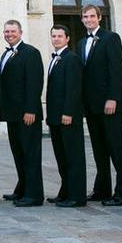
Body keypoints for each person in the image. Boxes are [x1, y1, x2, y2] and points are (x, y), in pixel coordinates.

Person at [78, 4, 122, 206]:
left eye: (92, 16)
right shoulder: (82, 43)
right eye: (85, 16)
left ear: (99, 18)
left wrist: (113, 98)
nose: (88, 19)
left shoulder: (111, 38)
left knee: (116, 147)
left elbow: (116, 70)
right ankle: (102, 189)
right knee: (99, 149)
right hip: (91, 105)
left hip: (109, 104)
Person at [0, 20, 44, 207]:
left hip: (27, 114)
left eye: (13, 31)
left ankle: (34, 195)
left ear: (21, 32)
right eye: (7, 31)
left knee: (30, 153)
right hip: (12, 114)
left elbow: (34, 83)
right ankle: (23, 188)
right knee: (19, 153)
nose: (9, 34)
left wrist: (31, 109)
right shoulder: (6, 54)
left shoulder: (31, 53)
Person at [45, 25, 86, 208]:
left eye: (60, 36)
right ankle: (65, 192)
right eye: (53, 36)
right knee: (62, 157)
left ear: (67, 38)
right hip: (55, 118)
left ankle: (77, 196)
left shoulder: (72, 59)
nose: (56, 39)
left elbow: (74, 89)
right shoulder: (56, 58)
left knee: (73, 157)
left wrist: (68, 113)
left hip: (67, 117)